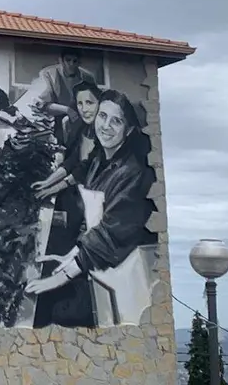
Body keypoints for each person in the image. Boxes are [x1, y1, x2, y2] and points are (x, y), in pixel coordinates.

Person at [27, 89, 155, 327]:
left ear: (128, 131)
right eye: (102, 116)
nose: (106, 126)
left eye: (116, 121)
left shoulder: (132, 173)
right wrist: (72, 254)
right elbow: (83, 169)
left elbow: (110, 234)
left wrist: (62, 275)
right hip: (95, 262)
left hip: (117, 272)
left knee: (56, 309)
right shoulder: (102, 156)